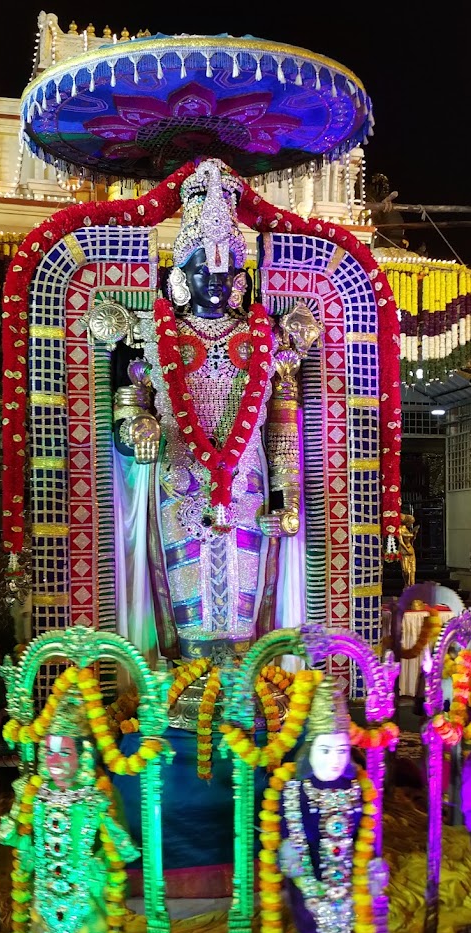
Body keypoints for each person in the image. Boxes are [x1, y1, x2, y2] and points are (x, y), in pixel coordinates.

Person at [113, 158, 319, 665]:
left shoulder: (266, 338)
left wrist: (288, 496)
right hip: (178, 482)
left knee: (243, 597)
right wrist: (137, 426)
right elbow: (128, 408)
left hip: (247, 486)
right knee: (189, 596)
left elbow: (282, 423)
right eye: (203, 271)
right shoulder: (155, 336)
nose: (215, 284)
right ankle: (188, 685)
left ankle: (240, 689)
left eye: (225, 273)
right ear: (181, 276)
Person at [0, 688, 139, 933]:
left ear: (84, 755)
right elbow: (23, 844)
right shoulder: (36, 796)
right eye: (49, 752)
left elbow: (121, 852)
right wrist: (14, 830)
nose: (56, 762)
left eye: (65, 753)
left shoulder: (99, 797)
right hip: (46, 899)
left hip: (85, 904)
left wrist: (96, 869)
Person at [278, 675, 384, 933]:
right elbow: (289, 841)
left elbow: (365, 836)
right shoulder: (295, 791)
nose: (335, 760)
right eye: (325, 750)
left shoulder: (356, 789)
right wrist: (298, 870)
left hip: (346, 882)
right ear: (310, 750)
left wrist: (371, 866)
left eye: (341, 751)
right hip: (309, 882)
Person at [398, 513, 419, 589]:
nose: (411, 525)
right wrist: (406, 550)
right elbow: (401, 542)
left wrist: (415, 534)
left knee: (412, 571)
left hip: (411, 550)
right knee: (406, 570)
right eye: (410, 523)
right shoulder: (400, 529)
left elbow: (411, 540)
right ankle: (407, 585)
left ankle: (412, 588)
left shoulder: (407, 529)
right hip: (404, 552)